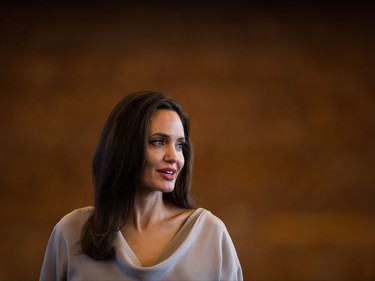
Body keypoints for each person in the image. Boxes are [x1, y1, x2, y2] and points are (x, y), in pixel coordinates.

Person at [40, 91, 243, 281]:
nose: (174, 157)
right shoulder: (70, 232)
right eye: (158, 141)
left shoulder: (211, 235)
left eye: (180, 145)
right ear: (124, 148)